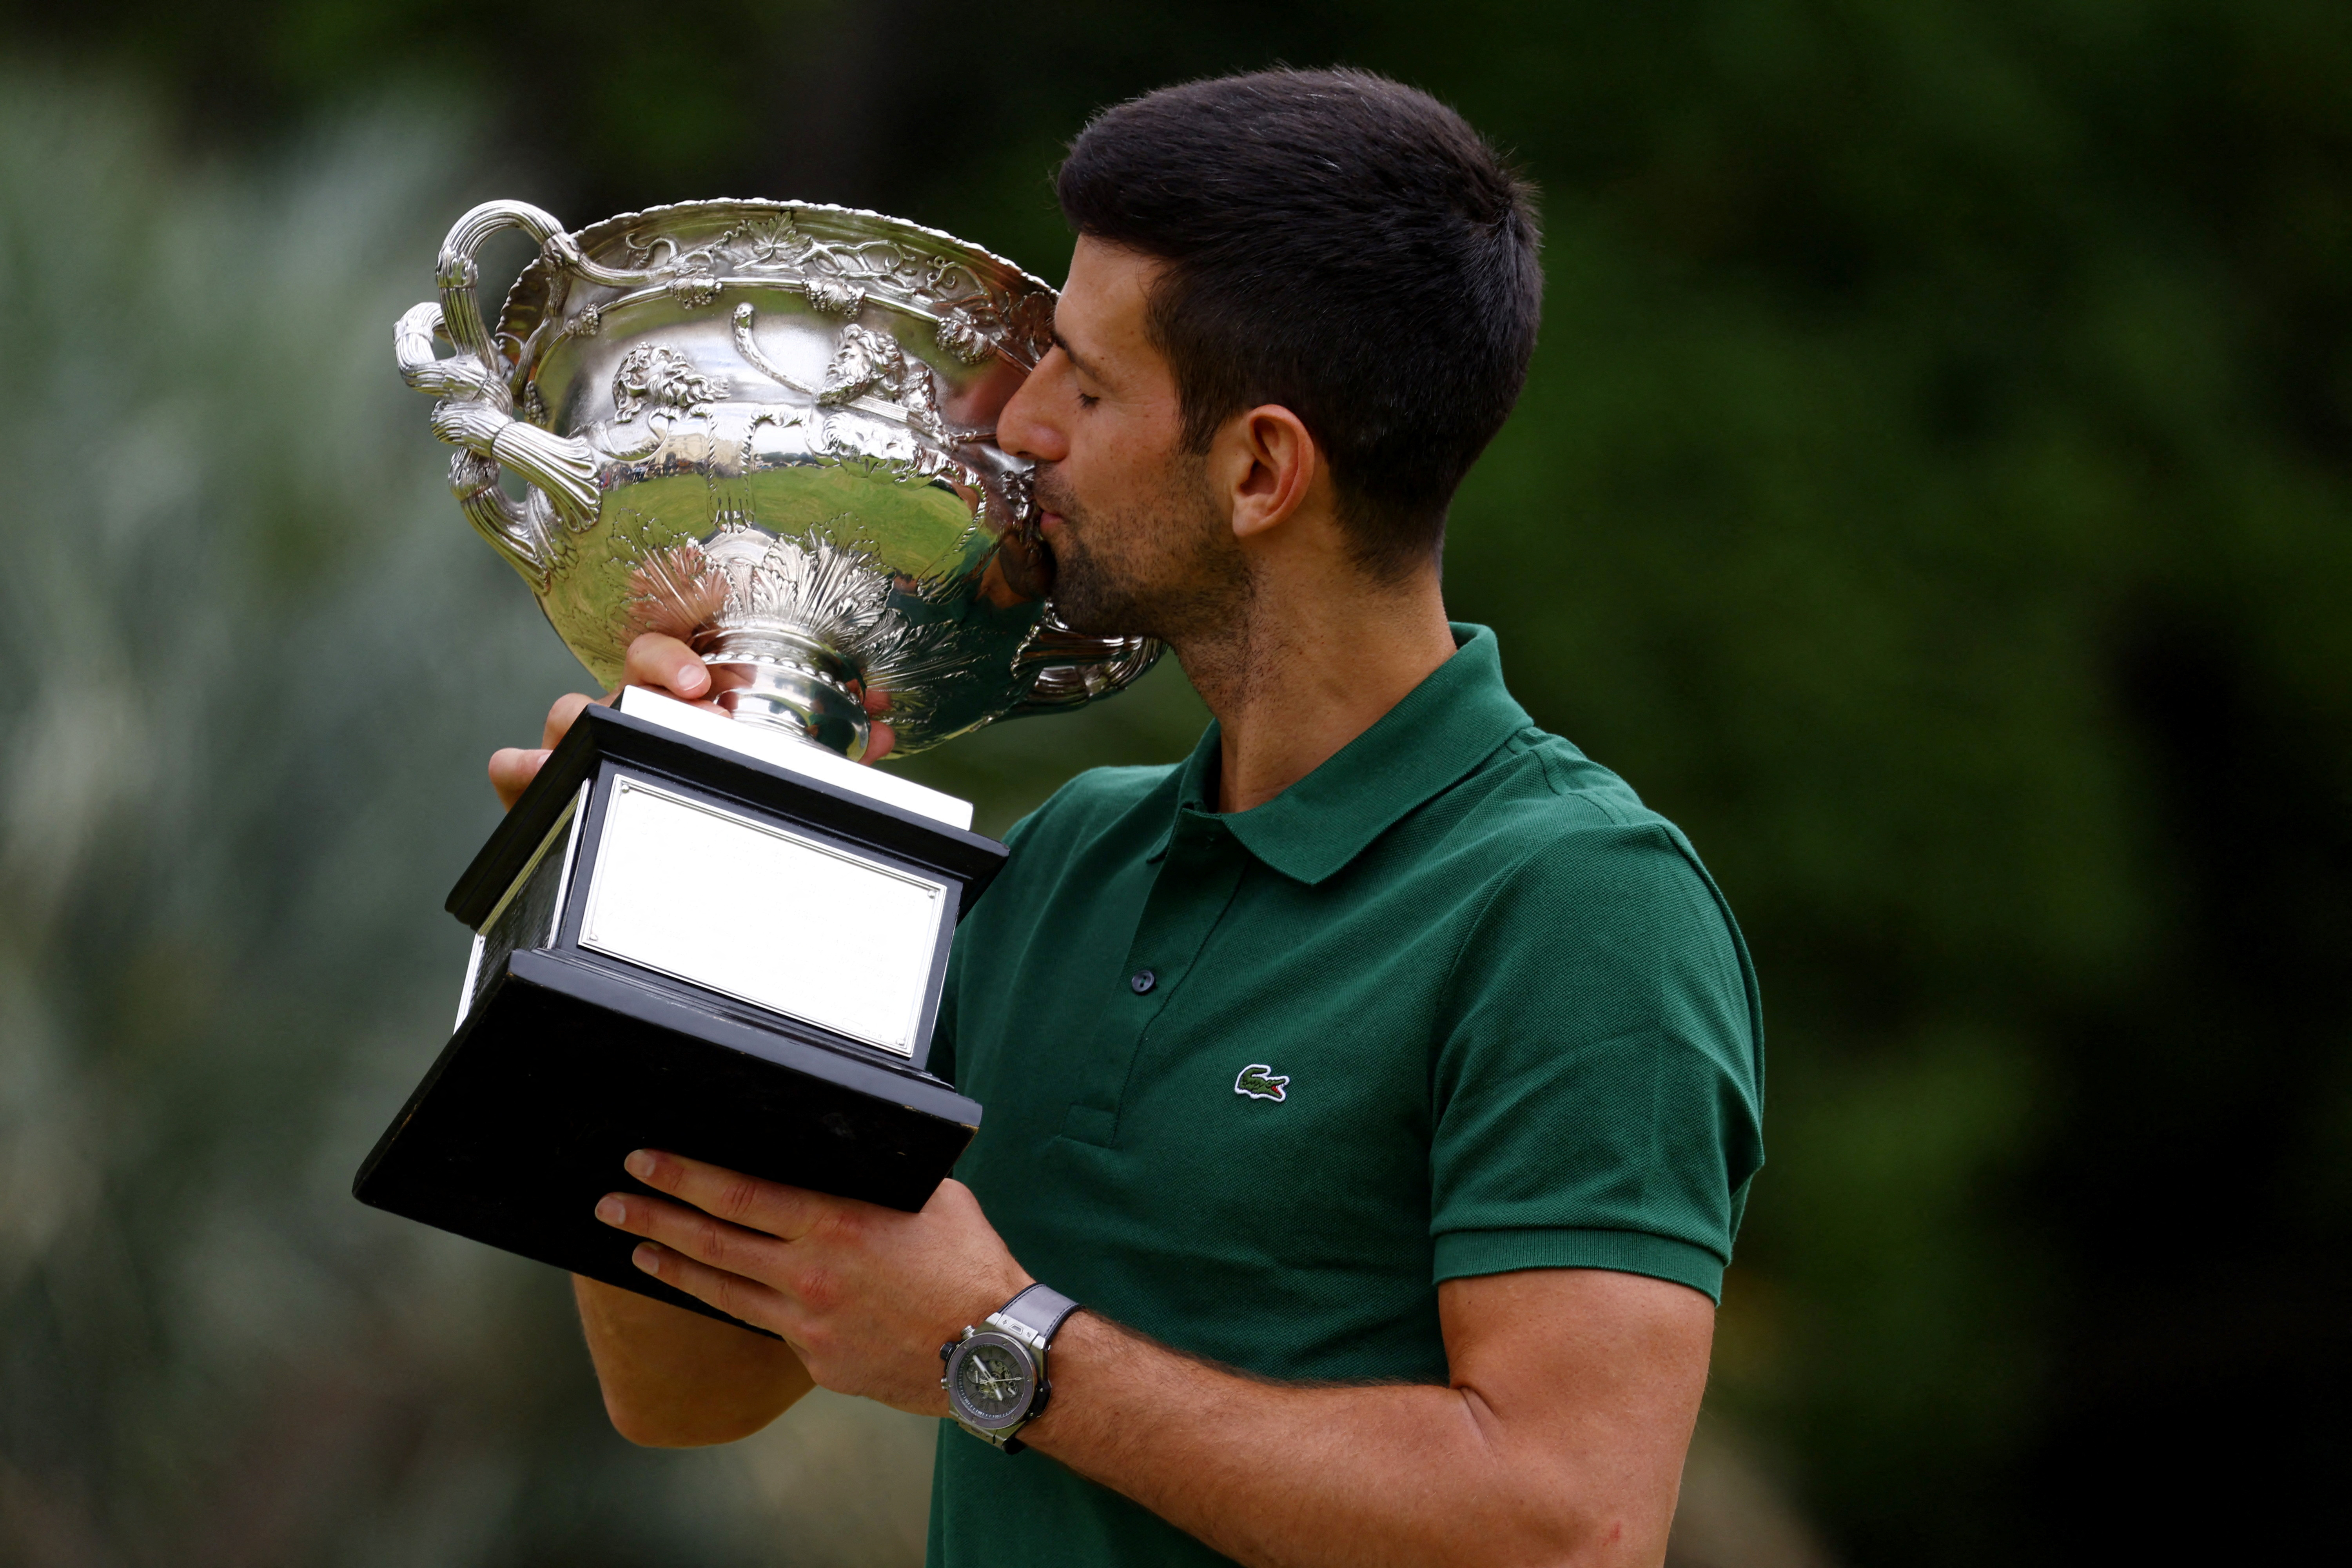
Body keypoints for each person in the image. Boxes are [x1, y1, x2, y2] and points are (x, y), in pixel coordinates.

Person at [490, 67, 1764, 1568]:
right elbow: (691, 1385)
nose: (1020, 425)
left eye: (1085, 386)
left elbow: (1570, 1531)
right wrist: (683, 865)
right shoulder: (1071, 860)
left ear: (1261, 469)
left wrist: (1004, 1345)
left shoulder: (1581, 907)